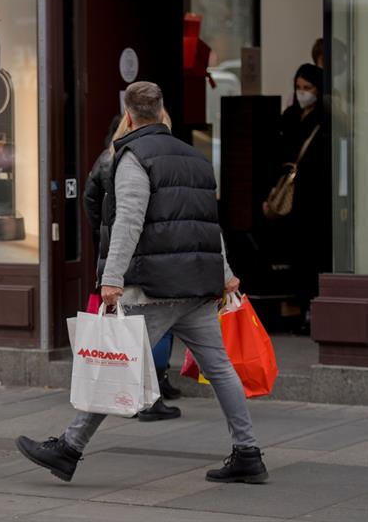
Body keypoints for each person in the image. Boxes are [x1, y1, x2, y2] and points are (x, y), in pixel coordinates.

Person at [16, 81, 268, 485]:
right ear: (162, 113)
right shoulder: (195, 158)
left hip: (156, 287)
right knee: (220, 368)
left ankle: (69, 448)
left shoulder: (133, 157)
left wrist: (111, 278)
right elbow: (208, 226)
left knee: (114, 363)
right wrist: (223, 275)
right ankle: (248, 452)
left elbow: (129, 221)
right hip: (198, 285)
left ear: (129, 116)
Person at [83, 113, 182, 422]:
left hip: (117, 252)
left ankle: (123, 396)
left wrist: (104, 234)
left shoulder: (105, 159)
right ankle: (149, 395)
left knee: (128, 332)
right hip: (147, 257)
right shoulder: (145, 160)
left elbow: (91, 204)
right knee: (150, 330)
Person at [264, 63, 331, 327]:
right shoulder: (290, 117)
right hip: (290, 196)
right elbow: (276, 155)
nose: (303, 93)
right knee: (294, 256)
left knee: (313, 255)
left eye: (308, 88)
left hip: (315, 199)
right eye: (299, 87)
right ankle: (299, 307)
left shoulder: (325, 119)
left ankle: (311, 309)